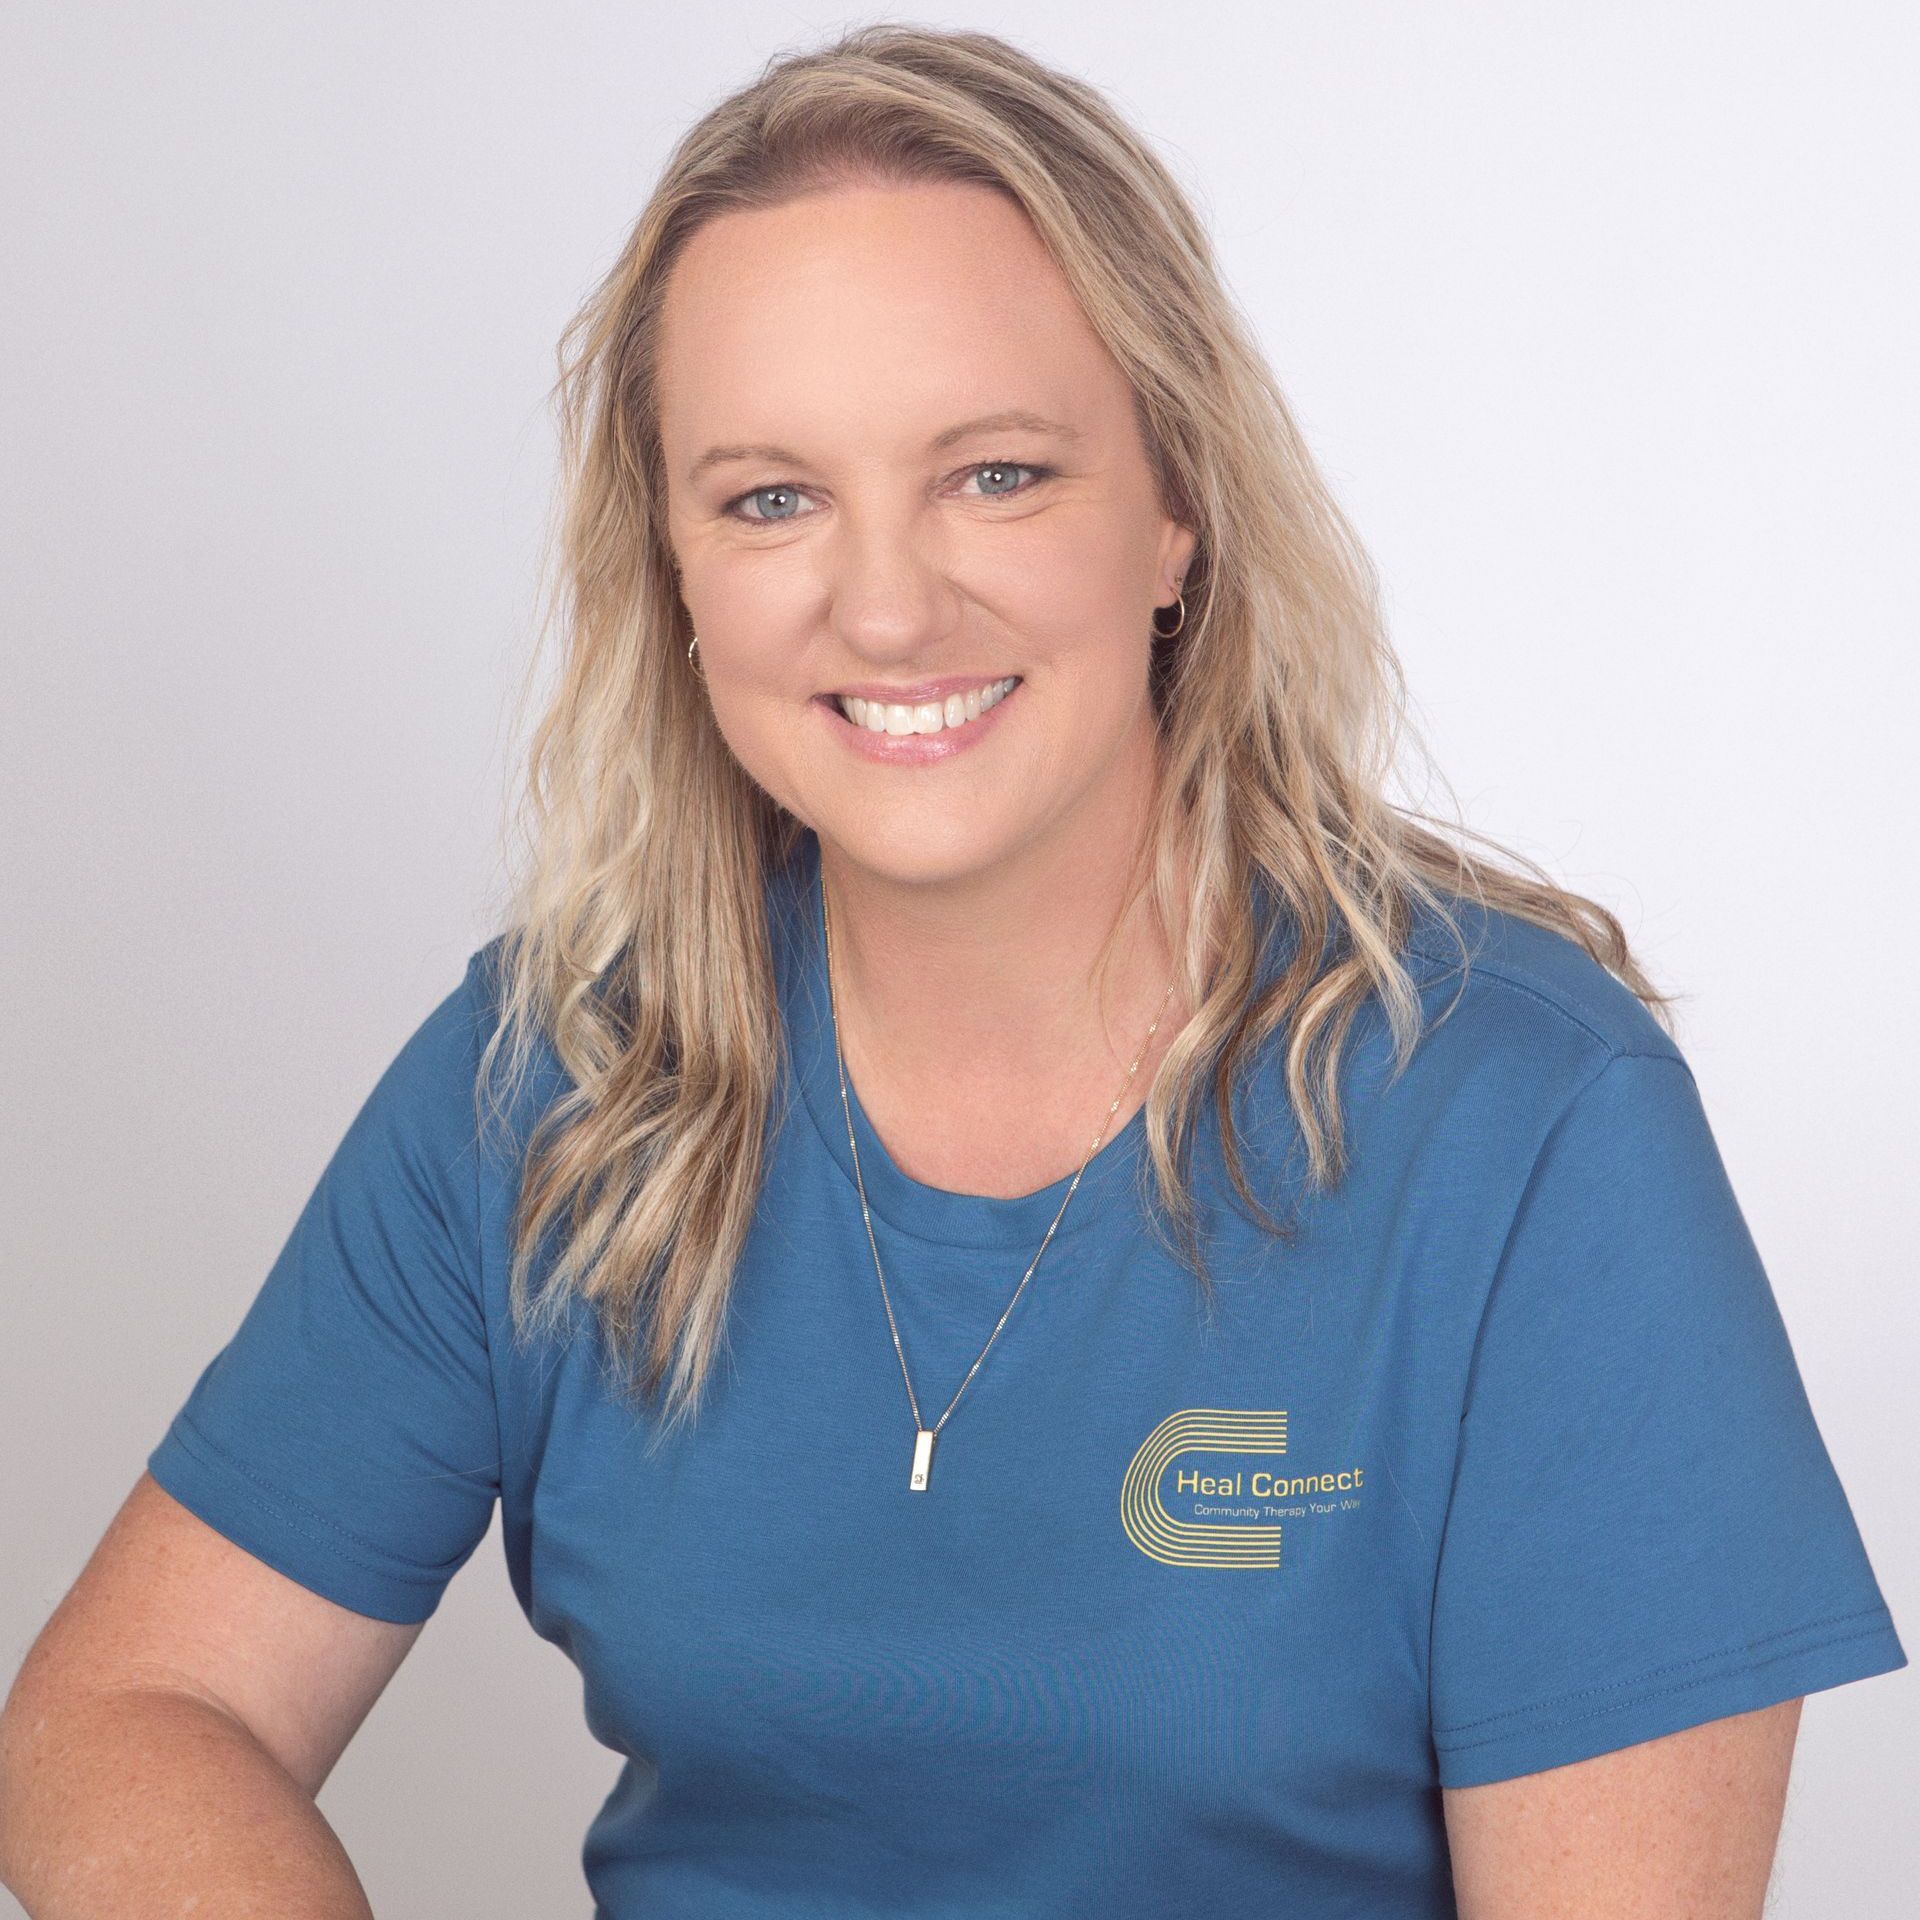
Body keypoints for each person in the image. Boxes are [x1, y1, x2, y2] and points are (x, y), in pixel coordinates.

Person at [0, 22, 1903, 1918]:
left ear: (1177, 510)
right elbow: (128, 1713)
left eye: (995, 473)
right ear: (668, 565)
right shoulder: (553, 1075)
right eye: (770, 497)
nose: (888, 603)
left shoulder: (1530, 1127)